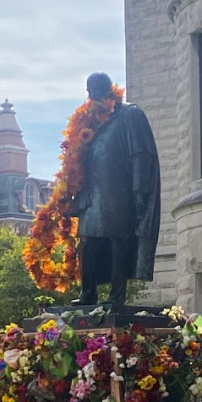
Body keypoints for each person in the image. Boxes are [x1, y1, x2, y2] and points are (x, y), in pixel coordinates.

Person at [70, 72, 161, 306]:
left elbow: (141, 154)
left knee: (118, 239)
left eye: (97, 91)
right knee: (87, 240)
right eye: (89, 92)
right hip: (92, 194)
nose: (92, 96)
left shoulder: (130, 114)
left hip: (119, 191)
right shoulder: (89, 122)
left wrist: (140, 191)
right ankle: (87, 293)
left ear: (109, 90)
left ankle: (116, 294)